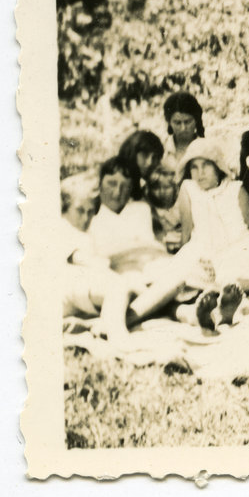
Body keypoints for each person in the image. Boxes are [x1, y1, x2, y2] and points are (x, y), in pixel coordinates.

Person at [61, 172, 185, 346]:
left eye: (90, 211)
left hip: (90, 291)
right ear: (64, 208)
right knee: (126, 288)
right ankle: (119, 337)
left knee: (169, 285)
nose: (85, 217)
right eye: (80, 210)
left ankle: (99, 325)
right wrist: (123, 279)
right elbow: (82, 259)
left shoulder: (85, 233)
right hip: (69, 289)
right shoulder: (63, 228)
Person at [172, 138, 249, 330]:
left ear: (217, 167)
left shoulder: (236, 189)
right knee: (184, 274)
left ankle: (227, 307)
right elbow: (186, 233)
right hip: (203, 248)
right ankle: (209, 306)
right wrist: (191, 256)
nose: (199, 173)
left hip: (238, 245)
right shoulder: (188, 189)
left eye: (205, 166)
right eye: (194, 167)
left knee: (232, 274)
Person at [88, 156, 169, 273]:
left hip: (149, 270)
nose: (117, 192)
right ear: (99, 184)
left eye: (125, 186)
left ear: (131, 189)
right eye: (111, 183)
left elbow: (153, 250)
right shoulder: (91, 219)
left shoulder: (141, 210)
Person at [161, 91, 205, 172]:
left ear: (196, 120)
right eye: (177, 123)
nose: (183, 128)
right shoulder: (162, 150)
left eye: (187, 122)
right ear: (169, 122)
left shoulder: (207, 148)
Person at [117, 130, 164, 200]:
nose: (149, 162)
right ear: (132, 154)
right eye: (145, 155)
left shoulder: (139, 187)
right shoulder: (120, 185)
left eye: (154, 157)